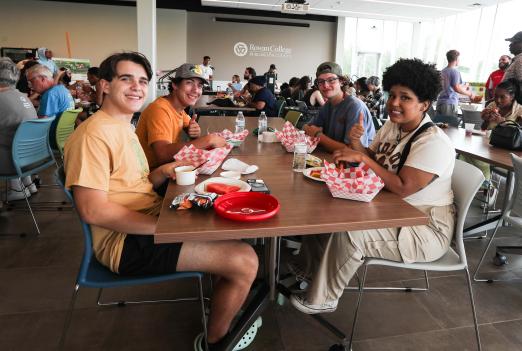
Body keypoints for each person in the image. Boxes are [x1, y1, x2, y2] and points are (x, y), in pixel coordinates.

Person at [63, 52, 258, 349]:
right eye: (126, 79)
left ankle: (221, 305)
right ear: (104, 85)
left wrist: (162, 172)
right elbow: (93, 210)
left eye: (142, 81)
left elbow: (134, 184)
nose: (137, 87)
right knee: (245, 260)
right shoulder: (93, 136)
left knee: (230, 219)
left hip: (149, 218)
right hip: (123, 243)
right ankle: (217, 340)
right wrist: (161, 227)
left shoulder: (122, 126)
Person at [290, 58, 456, 314]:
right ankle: (307, 272)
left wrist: (362, 157)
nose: (394, 103)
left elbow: (402, 187)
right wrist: (357, 146)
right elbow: (376, 159)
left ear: (424, 104)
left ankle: (323, 297)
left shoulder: (433, 142)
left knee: (350, 233)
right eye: (393, 95)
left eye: (406, 98)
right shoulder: (392, 126)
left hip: (424, 227)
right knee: (323, 209)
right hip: (393, 209)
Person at [136, 63, 226, 169]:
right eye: (189, 83)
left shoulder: (179, 109)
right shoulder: (159, 109)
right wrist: (208, 140)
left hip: (169, 170)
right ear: (175, 85)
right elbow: (162, 154)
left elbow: (191, 126)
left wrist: (194, 130)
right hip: (150, 179)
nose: (196, 90)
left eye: (200, 85)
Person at [303, 62, 375, 152]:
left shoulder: (354, 107)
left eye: (331, 80)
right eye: (321, 81)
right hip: (331, 159)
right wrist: (312, 131)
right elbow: (306, 127)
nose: (325, 85)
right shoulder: (327, 106)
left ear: (341, 81)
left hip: (353, 165)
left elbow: (353, 152)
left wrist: (318, 135)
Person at [0, 57, 38, 201]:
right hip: (30, 158)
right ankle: (25, 184)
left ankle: (17, 188)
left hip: (11, 161)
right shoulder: (22, 96)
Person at [25, 64, 74, 148]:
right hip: (64, 139)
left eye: (31, 81)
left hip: (49, 141)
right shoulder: (63, 89)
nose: (30, 86)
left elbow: (41, 124)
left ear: (43, 79)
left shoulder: (50, 94)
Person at [436, 50, 480, 117]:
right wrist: (470, 94)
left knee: (440, 126)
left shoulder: (443, 71)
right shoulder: (455, 72)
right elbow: (457, 88)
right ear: (456, 59)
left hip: (440, 102)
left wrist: (465, 86)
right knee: (449, 127)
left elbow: (453, 87)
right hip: (449, 104)